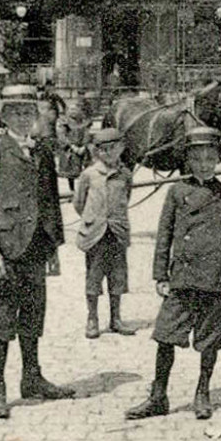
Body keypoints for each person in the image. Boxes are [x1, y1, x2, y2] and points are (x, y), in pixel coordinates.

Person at [125, 127, 221, 422]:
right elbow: (164, 235)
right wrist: (160, 276)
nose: (204, 163)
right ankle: (158, 396)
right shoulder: (176, 192)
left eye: (210, 158)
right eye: (197, 158)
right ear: (188, 161)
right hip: (182, 277)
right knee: (166, 335)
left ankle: (202, 392)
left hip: (215, 278)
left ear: (218, 160)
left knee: (210, 339)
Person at [0, 84, 74, 419]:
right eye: (14, 112)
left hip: (36, 245)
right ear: (4, 115)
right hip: (8, 246)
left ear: (35, 116)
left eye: (27, 112)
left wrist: (54, 244)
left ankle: (32, 377)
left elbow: (50, 200)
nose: (21, 118)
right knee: (4, 316)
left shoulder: (43, 151)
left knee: (34, 312)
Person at [72, 126, 133, 340]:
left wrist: (114, 217)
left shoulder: (125, 174)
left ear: (122, 148)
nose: (108, 153)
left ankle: (116, 318)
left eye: (113, 148)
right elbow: (79, 203)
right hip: (95, 233)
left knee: (118, 276)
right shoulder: (89, 174)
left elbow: (127, 196)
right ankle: (92, 319)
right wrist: (94, 218)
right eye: (103, 149)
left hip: (116, 231)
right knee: (94, 276)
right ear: (96, 152)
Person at [55, 100, 91, 191]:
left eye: (75, 109)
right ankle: (72, 189)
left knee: (86, 165)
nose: (73, 111)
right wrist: (72, 146)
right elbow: (62, 136)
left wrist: (84, 146)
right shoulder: (64, 123)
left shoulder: (83, 122)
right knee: (70, 169)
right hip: (70, 149)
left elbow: (86, 134)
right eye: (71, 109)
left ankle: (84, 188)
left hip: (82, 147)